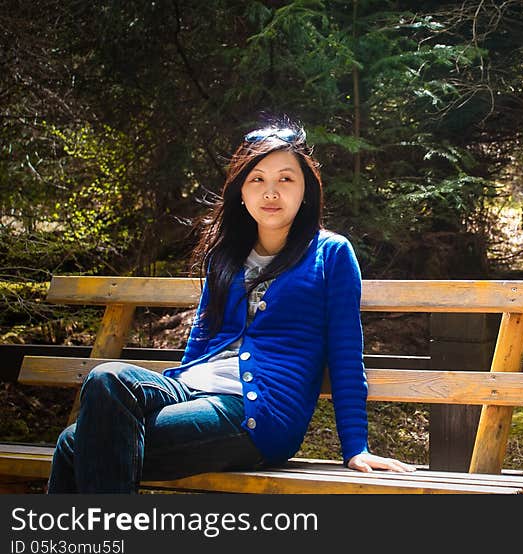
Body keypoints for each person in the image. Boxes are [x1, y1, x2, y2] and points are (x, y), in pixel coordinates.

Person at [48, 120, 416, 493]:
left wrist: (356, 447)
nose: (271, 192)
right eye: (257, 179)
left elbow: (346, 353)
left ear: (306, 189)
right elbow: (201, 340)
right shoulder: (225, 255)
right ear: (241, 190)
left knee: (75, 446)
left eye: (285, 179)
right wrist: (176, 386)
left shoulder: (331, 253)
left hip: (256, 413)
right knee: (106, 380)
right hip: (192, 390)